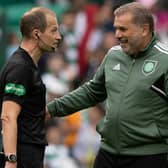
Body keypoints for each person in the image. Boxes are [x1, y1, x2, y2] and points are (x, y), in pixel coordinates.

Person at [45, 2, 168, 168]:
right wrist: (52, 109)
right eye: (115, 28)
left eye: (123, 29)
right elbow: (91, 92)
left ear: (144, 29)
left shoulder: (164, 61)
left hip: (148, 157)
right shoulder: (113, 55)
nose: (116, 34)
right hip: (107, 154)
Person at [0, 7, 61, 168]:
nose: (58, 37)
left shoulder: (28, 65)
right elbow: (8, 117)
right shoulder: (21, 67)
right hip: (22, 156)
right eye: (54, 31)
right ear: (36, 33)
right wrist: (11, 161)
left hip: (30, 154)